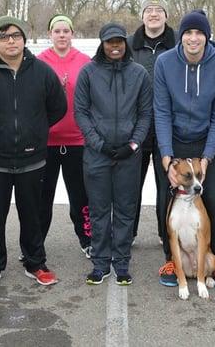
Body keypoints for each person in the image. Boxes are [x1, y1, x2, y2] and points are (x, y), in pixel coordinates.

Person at [0, 16, 67, 291]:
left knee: (33, 214)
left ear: (24, 39)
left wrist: (36, 130)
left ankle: (35, 263)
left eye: (16, 35)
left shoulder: (41, 72)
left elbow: (58, 107)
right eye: (4, 36)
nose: (11, 41)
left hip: (32, 158)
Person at [153, 9, 215, 291]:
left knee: (212, 196)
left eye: (199, 32)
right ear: (181, 36)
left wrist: (208, 155)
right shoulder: (164, 63)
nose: (193, 38)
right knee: (167, 195)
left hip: (207, 141)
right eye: (188, 32)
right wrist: (166, 157)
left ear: (207, 37)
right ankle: (171, 259)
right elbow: (161, 111)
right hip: (173, 140)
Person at [74, 23, 152, 286]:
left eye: (119, 41)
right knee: (98, 210)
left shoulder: (139, 74)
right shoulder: (88, 72)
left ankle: (121, 262)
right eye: (110, 42)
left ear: (125, 44)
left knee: (125, 210)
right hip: (97, 155)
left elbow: (145, 115)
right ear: (102, 44)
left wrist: (132, 144)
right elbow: (81, 113)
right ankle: (100, 263)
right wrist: (99, 144)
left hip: (128, 155)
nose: (115, 46)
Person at [36, 14, 92, 259]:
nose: (61, 35)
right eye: (56, 31)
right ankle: (34, 243)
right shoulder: (39, 62)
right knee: (41, 198)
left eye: (65, 31)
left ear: (72, 34)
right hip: (46, 141)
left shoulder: (84, 61)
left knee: (80, 197)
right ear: (50, 34)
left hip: (77, 141)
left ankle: (86, 238)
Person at [127, 0, 176, 246]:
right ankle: (128, 233)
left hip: (168, 129)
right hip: (135, 128)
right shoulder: (127, 45)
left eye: (159, 9)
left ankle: (165, 234)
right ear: (142, 15)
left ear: (166, 16)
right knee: (130, 185)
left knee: (166, 185)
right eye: (149, 10)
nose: (154, 14)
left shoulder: (180, 42)